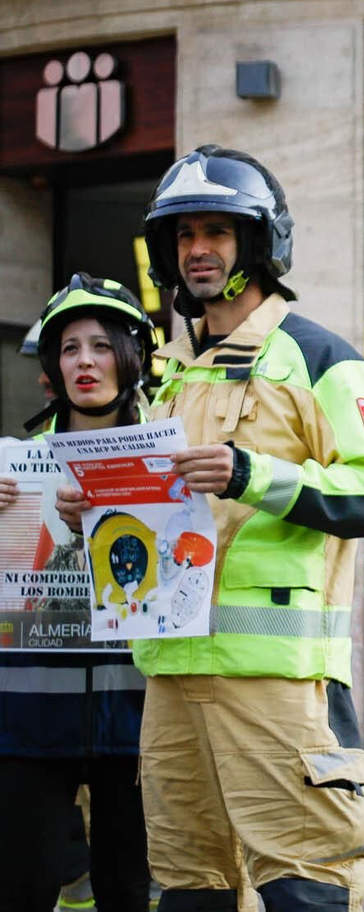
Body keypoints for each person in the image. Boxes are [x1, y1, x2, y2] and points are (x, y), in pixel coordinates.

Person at [56, 146, 364, 909]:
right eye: (183, 236)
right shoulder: (174, 376)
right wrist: (98, 513)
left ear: (258, 244)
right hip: (174, 676)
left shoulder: (320, 358)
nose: (197, 250)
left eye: (216, 231)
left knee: (302, 879)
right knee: (189, 883)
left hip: (277, 682)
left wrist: (255, 473)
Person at [0, 275, 155, 912]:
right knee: (20, 890)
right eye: (68, 348)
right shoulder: (13, 467)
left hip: (145, 716)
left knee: (132, 893)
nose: (84, 361)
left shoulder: (169, 460)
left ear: (132, 356)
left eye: (100, 344)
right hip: (27, 719)